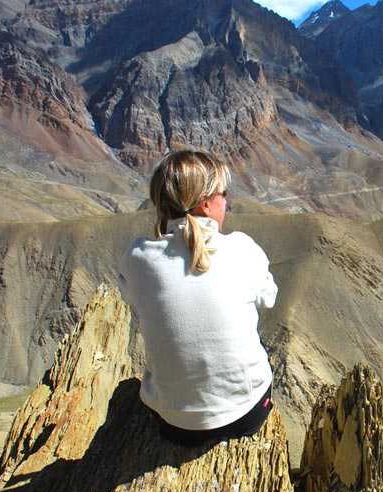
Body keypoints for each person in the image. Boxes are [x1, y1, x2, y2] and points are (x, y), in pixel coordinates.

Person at [117, 150, 278, 446]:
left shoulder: (138, 257)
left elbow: (130, 295)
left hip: (174, 424)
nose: (227, 201)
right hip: (247, 414)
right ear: (206, 203)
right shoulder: (243, 249)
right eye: (223, 193)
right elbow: (269, 298)